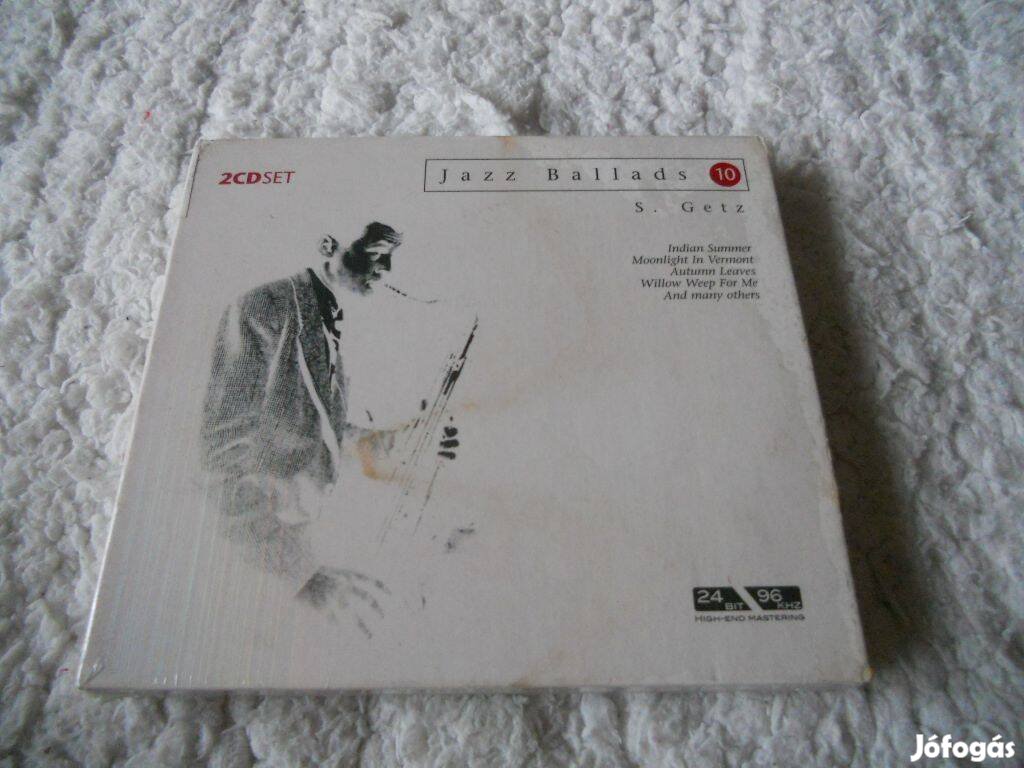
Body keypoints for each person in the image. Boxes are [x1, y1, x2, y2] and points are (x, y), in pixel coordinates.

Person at [200, 222, 458, 631]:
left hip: (305, 541)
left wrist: (404, 441)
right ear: (327, 245)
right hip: (266, 564)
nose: (386, 269)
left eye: (391, 255)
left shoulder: (326, 316)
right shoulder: (264, 308)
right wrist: (302, 579)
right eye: (375, 253)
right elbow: (220, 461)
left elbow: (319, 432)